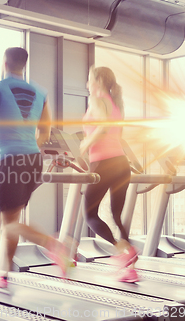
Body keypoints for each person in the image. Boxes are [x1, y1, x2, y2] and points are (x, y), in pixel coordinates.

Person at [0, 47, 73, 294]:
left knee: (5, 224)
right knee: (9, 220)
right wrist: (28, 147)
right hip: (33, 160)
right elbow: (45, 132)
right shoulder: (41, 92)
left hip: (10, 160)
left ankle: (54, 245)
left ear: (5, 62)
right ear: (23, 65)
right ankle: (2, 274)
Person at [79, 66, 137, 283]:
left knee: (90, 215)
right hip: (122, 164)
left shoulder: (97, 100)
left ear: (98, 81)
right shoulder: (116, 104)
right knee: (116, 216)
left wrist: (84, 145)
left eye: (89, 80)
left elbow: (102, 129)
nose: (87, 85)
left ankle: (122, 249)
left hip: (104, 163)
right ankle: (130, 269)